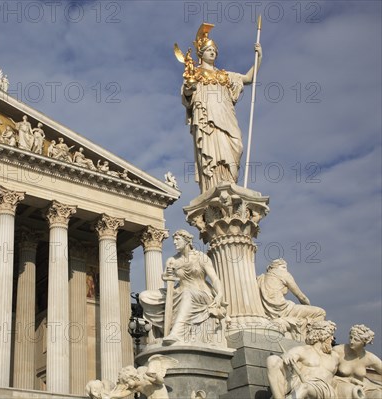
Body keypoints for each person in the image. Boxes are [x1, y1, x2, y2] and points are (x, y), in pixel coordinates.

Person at [182, 23, 262, 193]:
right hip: (207, 118)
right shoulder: (195, 74)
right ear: (201, 54)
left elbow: (248, 78)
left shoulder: (225, 75)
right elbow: (186, 94)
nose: (213, 53)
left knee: (236, 144)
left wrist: (259, 57)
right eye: (209, 50)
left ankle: (229, 180)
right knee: (212, 149)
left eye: (215, 51)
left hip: (226, 115)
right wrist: (190, 88)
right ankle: (213, 184)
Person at [139, 229, 227, 346]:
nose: (175, 243)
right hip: (178, 291)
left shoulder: (201, 257)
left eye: (177, 239)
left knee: (187, 294)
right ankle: (164, 330)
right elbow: (166, 278)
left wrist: (220, 294)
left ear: (186, 241)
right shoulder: (172, 260)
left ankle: (176, 333)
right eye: (174, 240)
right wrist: (167, 274)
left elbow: (214, 279)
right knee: (144, 296)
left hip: (201, 293)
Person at [267, 320, 339, 399]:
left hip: (323, 389)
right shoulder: (304, 350)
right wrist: (288, 356)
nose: (332, 338)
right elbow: (290, 355)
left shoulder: (335, 356)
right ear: (322, 335)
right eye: (331, 335)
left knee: (304, 387)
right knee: (272, 360)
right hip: (301, 384)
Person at [257, 258, 326, 338]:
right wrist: (307, 306)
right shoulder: (283, 274)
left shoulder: (260, 278)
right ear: (277, 267)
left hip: (268, 313)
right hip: (283, 309)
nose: (286, 270)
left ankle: (296, 328)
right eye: (284, 267)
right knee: (320, 312)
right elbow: (301, 297)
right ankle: (310, 338)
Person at [333, 324, 382, 398]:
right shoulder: (338, 351)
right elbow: (327, 374)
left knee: (379, 395)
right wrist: (349, 380)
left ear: (364, 342)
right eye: (350, 337)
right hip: (342, 386)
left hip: (363, 388)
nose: (351, 341)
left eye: (356, 340)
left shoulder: (369, 357)